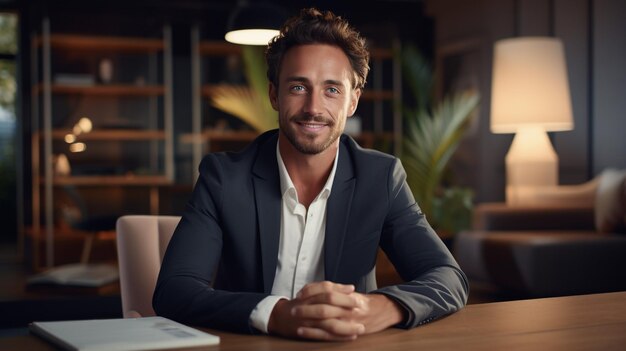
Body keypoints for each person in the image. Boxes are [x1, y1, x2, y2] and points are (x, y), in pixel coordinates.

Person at [153, 8, 468, 341]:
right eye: (298, 87)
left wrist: (381, 307)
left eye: (332, 89)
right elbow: (175, 291)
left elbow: (448, 277)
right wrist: (274, 314)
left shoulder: (381, 177)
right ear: (274, 94)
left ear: (353, 101)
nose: (314, 108)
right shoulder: (224, 178)